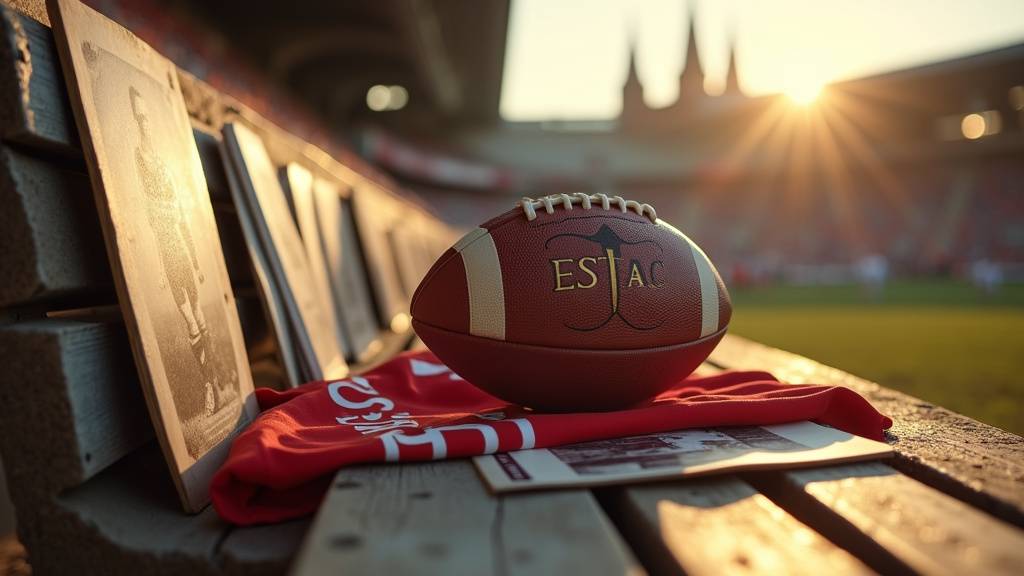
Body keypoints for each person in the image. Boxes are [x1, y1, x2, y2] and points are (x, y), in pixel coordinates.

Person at [130, 86, 225, 421]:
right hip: (167, 248)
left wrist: (197, 261)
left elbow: (182, 214)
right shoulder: (140, 158)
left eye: (145, 116)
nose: (143, 122)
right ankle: (210, 385)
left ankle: (215, 380)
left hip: (181, 248)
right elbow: (151, 216)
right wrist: (158, 265)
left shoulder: (162, 162)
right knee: (190, 323)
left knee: (199, 318)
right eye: (138, 115)